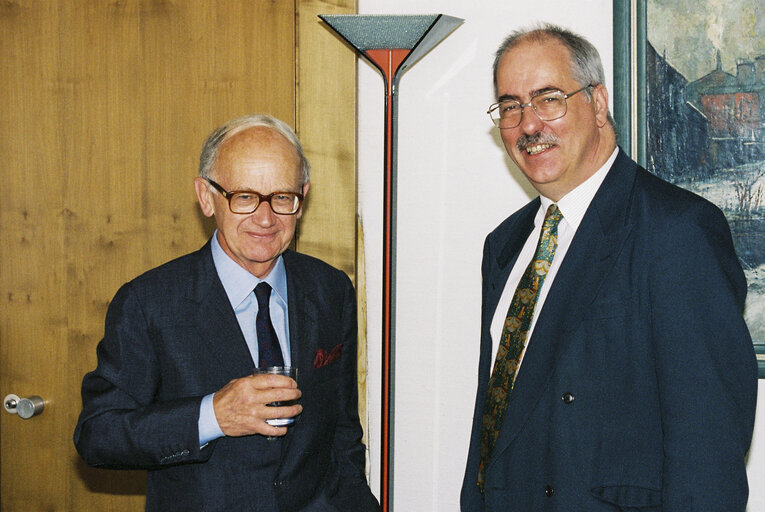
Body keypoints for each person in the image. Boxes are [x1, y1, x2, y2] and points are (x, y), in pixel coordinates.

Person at [461, 24, 758, 511]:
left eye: (548, 98)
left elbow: (709, 455)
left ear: (598, 103)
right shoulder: (506, 245)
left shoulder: (676, 231)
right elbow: (496, 427)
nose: (528, 125)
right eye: (511, 106)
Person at [74, 114, 380, 512]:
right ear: (206, 197)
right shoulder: (148, 303)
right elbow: (98, 435)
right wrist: (212, 416)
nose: (266, 218)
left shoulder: (331, 290)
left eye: (282, 197)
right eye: (245, 197)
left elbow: (341, 434)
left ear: (303, 197)